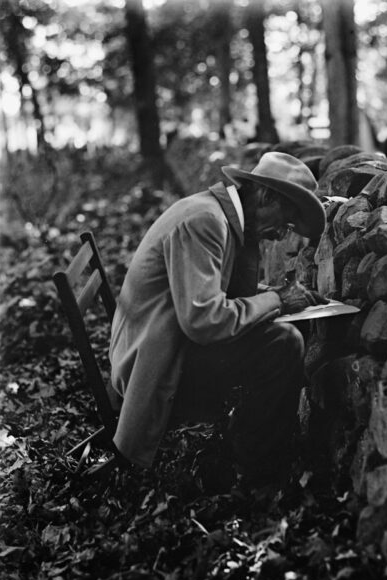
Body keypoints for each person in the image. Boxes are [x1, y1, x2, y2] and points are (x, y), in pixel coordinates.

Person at [109, 152, 328, 486]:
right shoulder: (205, 221)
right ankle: (259, 475)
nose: (279, 236)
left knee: (277, 336)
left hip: (162, 349)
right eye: (284, 223)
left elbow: (209, 292)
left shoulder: (213, 213)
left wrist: (274, 297)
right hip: (152, 372)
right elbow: (204, 321)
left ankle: (252, 449)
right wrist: (277, 301)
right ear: (267, 196)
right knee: (283, 345)